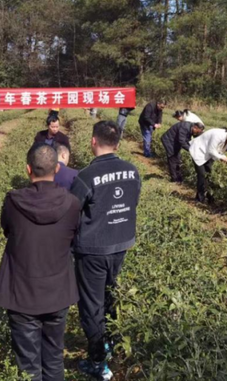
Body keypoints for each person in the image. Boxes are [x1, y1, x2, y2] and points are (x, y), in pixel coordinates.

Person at [0, 144, 81, 381]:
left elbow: (7, 229)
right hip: (58, 292)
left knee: (28, 365)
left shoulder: (13, 201)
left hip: (21, 292)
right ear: (57, 168)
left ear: (28, 169)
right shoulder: (72, 203)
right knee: (53, 358)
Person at [70, 121, 141, 381]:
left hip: (92, 250)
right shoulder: (132, 171)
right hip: (120, 246)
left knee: (91, 305)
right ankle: (110, 343)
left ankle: (98, 361)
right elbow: (133, 201)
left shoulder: (87, 176)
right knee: (110, 295)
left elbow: (71, 212)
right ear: (118, 143)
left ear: (92, 141)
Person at [189, 126, 227, 203]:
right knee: (202, 175)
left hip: (207, 154)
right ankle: (199, 199)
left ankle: (209, 196)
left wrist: (224, 158)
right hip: (199, 151)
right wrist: (225, 159)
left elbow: (219, 151)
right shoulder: (218, 135)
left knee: (209, 174)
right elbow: (211, 150)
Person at [161, 111, 204, 184]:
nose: (196, 134)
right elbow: (182, 141)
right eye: (197, 132)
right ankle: (174, 179)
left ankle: (179, 178)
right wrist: (191, 150)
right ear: (195, 127)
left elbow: (188, 140)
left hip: (175, 141)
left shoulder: (191, 127)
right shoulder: (185, 127)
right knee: (172, 158)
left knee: (178, 159)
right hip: (169, 141)